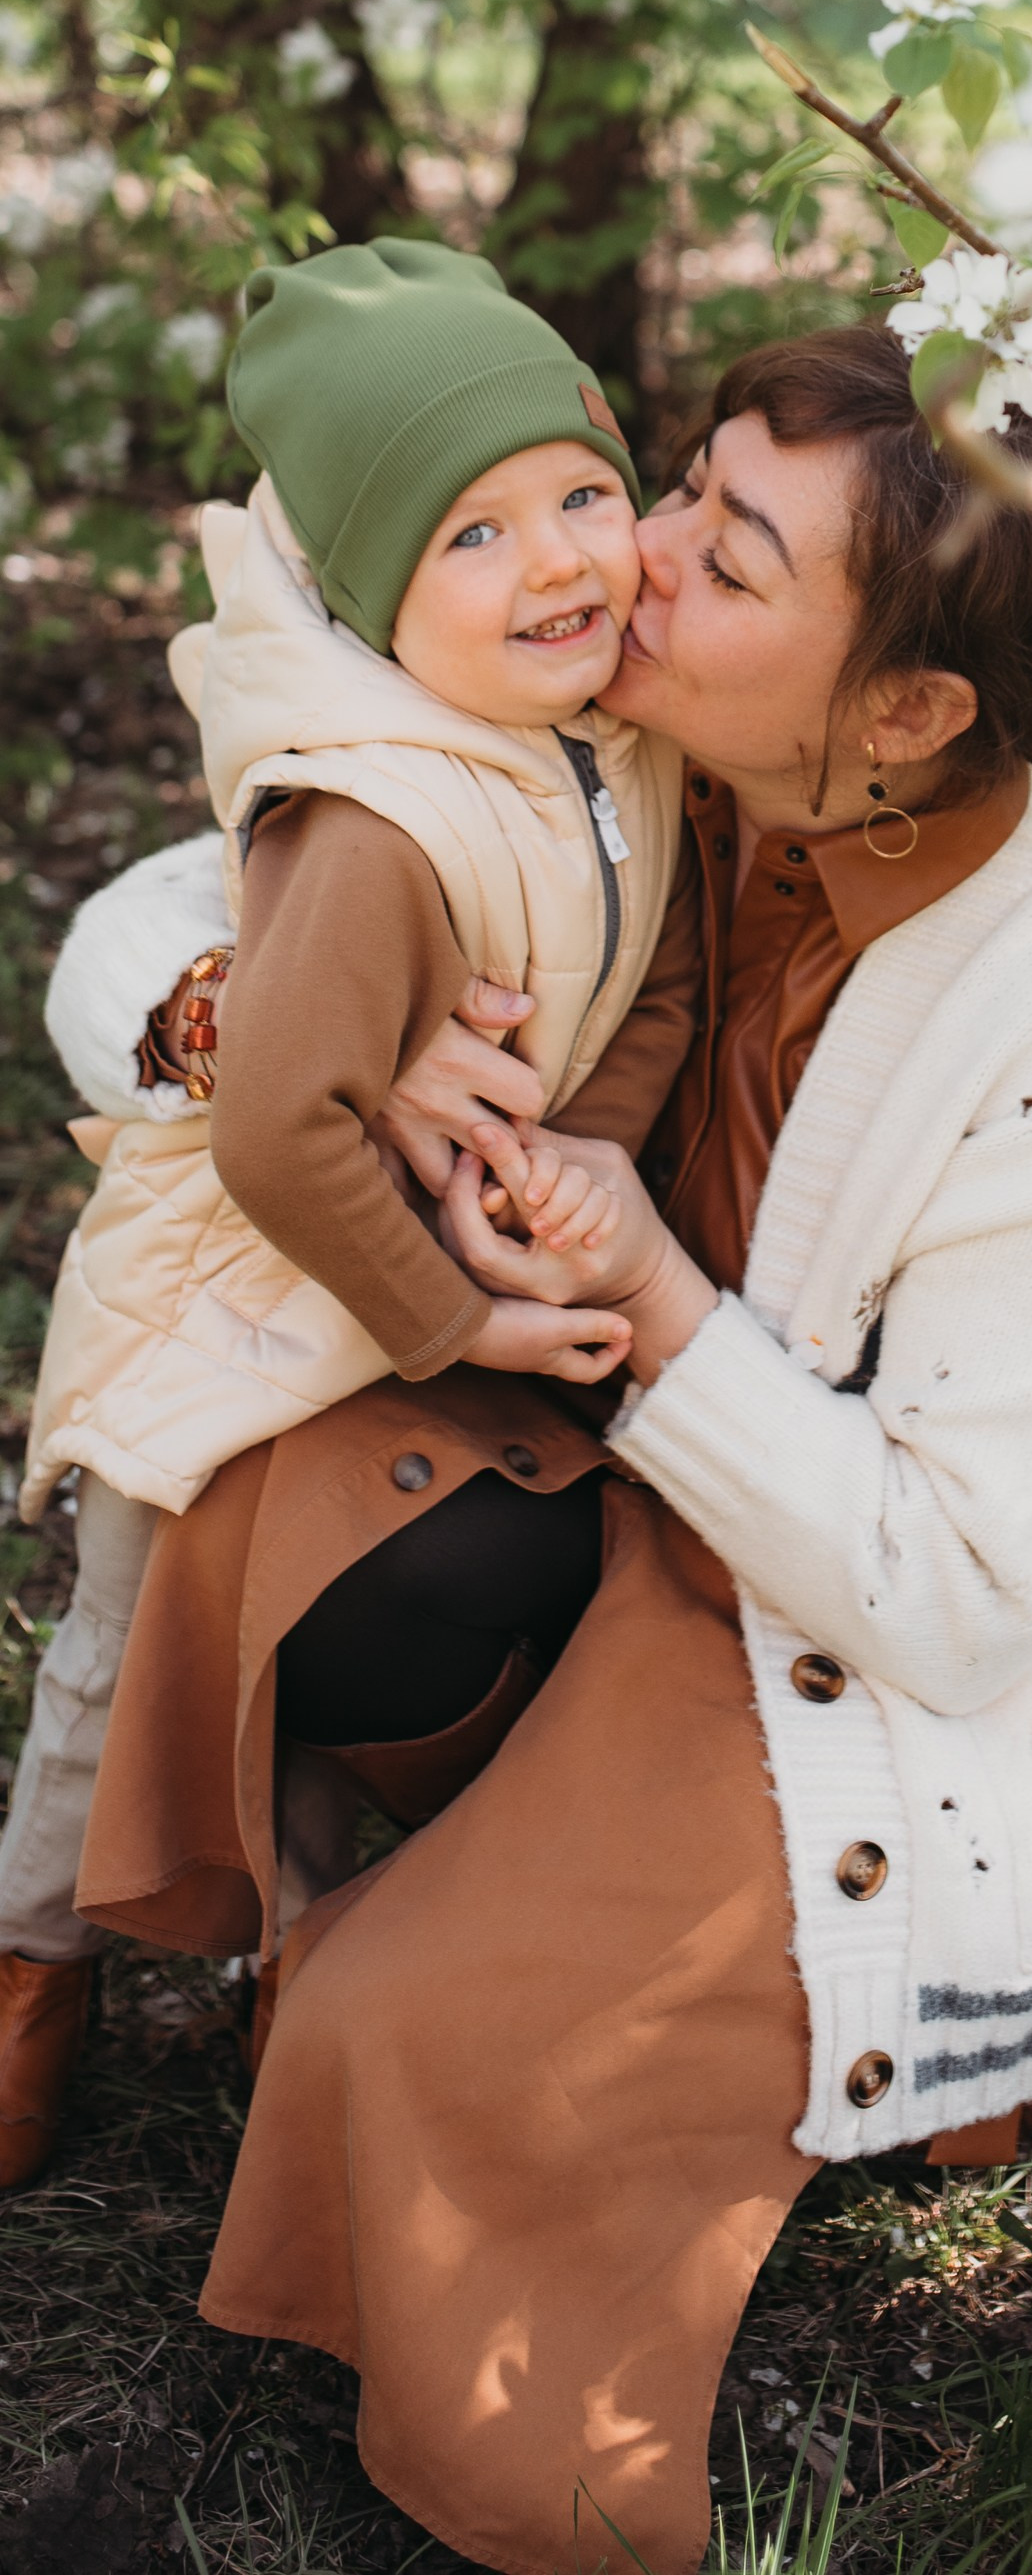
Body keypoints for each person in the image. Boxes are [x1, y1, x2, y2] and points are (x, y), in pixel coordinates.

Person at [13, 324, 1032, 2575]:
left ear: (904, 713)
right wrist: (259, 1036)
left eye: (731, 551)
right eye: (677, 477)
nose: (633, 557)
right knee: (260, 1501)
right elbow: (163, 921)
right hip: (625, 1478)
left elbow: (958, 1606)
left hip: (853, 1629)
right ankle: (431, 1836)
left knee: (408, 2039)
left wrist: (662, 1308)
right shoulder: (626, 749)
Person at [0, 239, 687, 2183]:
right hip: (240, 1288)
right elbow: (279, 1137)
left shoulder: (613, 746)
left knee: (307, 1640)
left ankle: (304, 1960)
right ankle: (32, 1961)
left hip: (411, 1248)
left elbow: (672, 989)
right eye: (473, 537)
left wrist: (568, 1170)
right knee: (128, 1659)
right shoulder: (377, 821)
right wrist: (456, 1319)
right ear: (381, 607)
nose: (557, 559)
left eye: (580, 492)